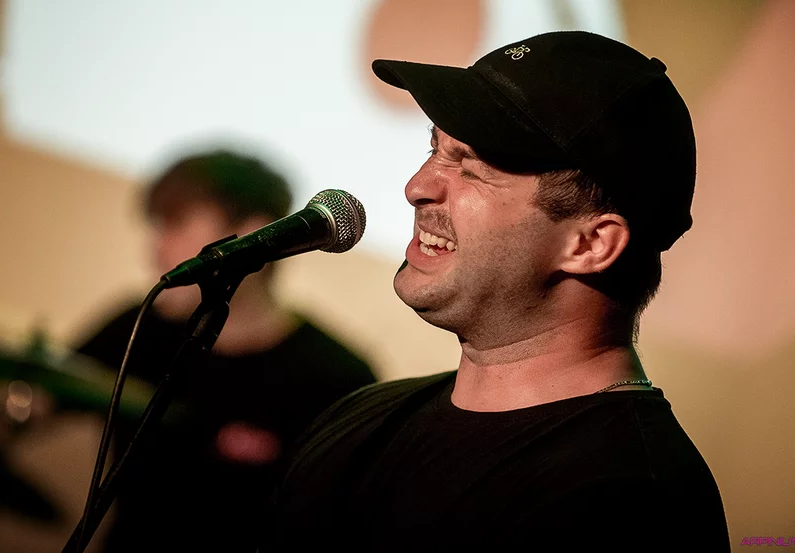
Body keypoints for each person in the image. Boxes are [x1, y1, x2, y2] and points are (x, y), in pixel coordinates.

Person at [262, 30, 730, 551]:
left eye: (472, 167)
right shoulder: (360, 418)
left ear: (591, 244)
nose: (417, 187)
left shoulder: (628, 501)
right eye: (434, 149)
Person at [72, 150, 377, 552]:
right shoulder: (141, 326)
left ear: (255, 234)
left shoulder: (337, 376)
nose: (156, 248)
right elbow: (40, 386)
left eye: (176, 225)